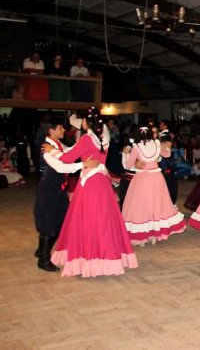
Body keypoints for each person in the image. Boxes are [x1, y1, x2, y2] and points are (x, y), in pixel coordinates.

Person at [46, 107, 138, 277]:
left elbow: (67, 158)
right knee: (104, 219)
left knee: (89, 219)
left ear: (85, 121)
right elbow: (77, 150)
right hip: (102, 181)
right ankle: (107, 257)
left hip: (90, 183)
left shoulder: (87, 138)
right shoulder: (104, 136)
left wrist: (51, 150)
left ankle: (91, 259)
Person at [34, 118, 97, 272]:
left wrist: (84, 137)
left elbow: (70, 151)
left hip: (57, 189)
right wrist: (83, 164)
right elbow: (61, 167)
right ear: (51, 130)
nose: (64, 130)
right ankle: (43, 259)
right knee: (50, 224)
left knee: (61, 222)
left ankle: (41, 250)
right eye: (60, 128)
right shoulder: (45, 147)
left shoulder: (57, 145)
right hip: (48, 190)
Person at [121, 126, 186, 246]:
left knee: (141, 206)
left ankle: (144, 236)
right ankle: (154, 235)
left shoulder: (137, 146)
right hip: (156, 177)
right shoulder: (156, 144)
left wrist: (126, 154)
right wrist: (165, 145)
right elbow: (167, 154)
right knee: (155, 204)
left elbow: (128, 165)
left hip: (142, 179)